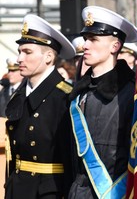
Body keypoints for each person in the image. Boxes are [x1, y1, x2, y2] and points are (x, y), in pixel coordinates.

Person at [67, 6, 137, 198]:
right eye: (85, 39)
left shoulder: (132, 92)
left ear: (115, 46)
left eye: (93, 39)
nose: (85, 46)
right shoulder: (79, 93)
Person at [5, 14, 76, 198]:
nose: (20, 58)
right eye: (20, 51)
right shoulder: (20, 94)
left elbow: (72, 160)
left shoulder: (65, 97)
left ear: (49, 57)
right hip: (17, 189)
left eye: (27, 52)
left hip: (48, 191)